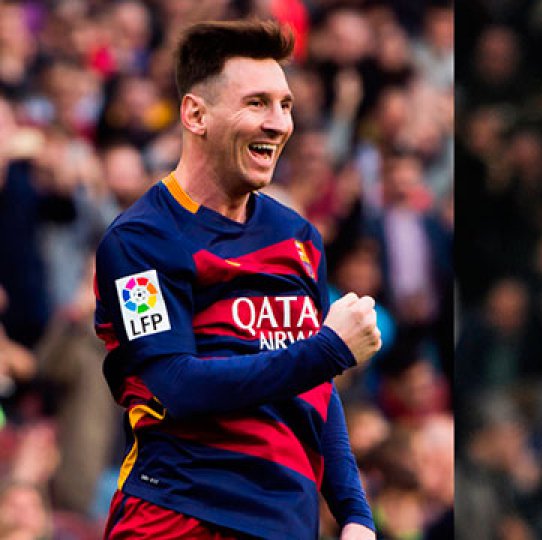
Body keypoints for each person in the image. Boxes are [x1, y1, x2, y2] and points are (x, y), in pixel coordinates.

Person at [93, 20, 380, 540]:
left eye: (285, 105)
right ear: (195, 114)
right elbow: (177, 385)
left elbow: (317, 389)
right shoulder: (139, 243)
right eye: (257, 103)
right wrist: (328, 350)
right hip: (178, 515)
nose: (278, 123)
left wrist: (354, 512)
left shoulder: (298, 238)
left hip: (286, 522)